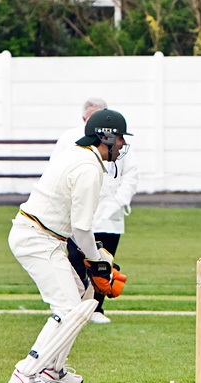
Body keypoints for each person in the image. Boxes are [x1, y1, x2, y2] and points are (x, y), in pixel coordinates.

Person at [7, 109, 131, 383]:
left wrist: (94, 257)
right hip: (37, 238)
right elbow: (83, 228)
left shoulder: (78, 154)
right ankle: (26, 372)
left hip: (44, 235)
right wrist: (99, 264)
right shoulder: (89, 168)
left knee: (78, 302)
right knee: (67, 308)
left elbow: (77, 228)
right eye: (121, 137)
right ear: (106, 138)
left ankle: (53, 369)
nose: (123, 144)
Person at [52, 98, 139, 324]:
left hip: (109, 216)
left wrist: (115, 203)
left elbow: (131, 174)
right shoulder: (75, 147)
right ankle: (72, 307)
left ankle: (94, 307)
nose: (120, 144)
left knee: (104, 260)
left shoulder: (115, 149)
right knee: (75, 261)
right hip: (70, 216)